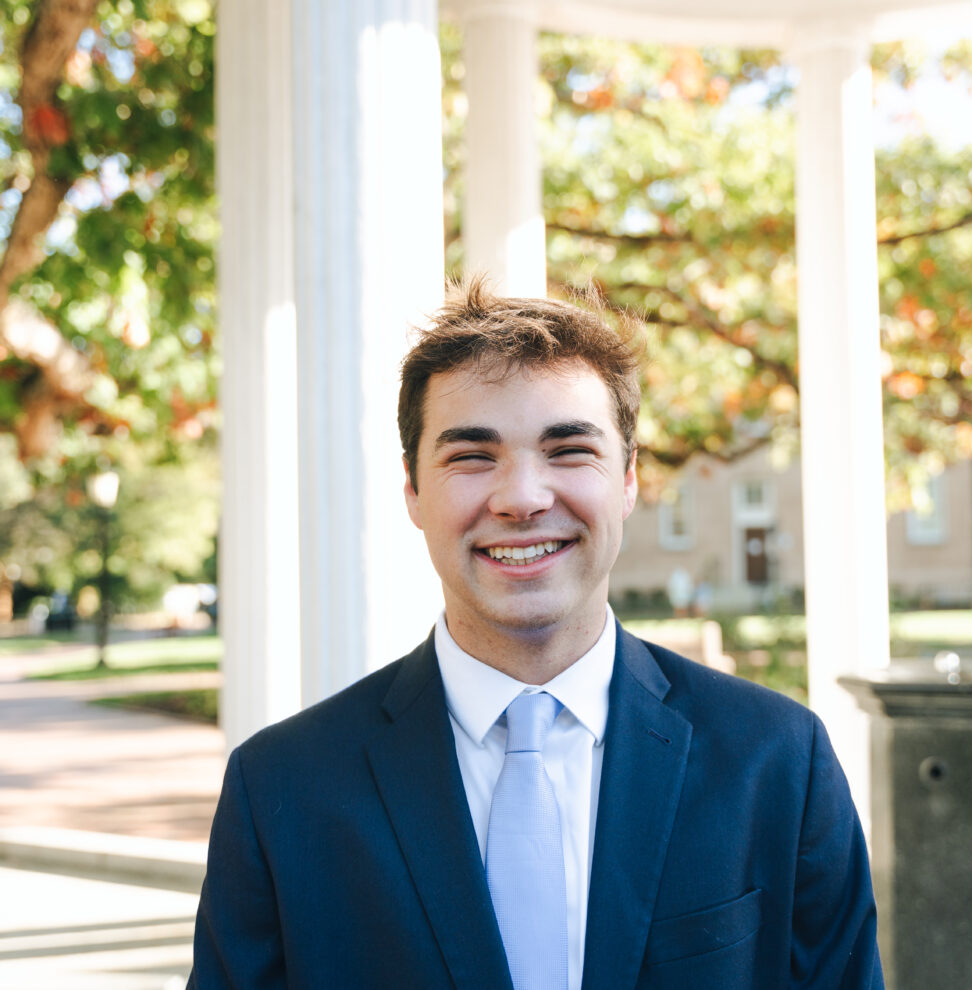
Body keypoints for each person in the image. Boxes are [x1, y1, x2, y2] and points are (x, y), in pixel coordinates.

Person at [188, 279, 883, 989]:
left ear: (629, 480)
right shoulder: (282, 789)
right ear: (412, 492)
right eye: (471, 456)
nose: (522, 497)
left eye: (569, 449)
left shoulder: (777, 762)